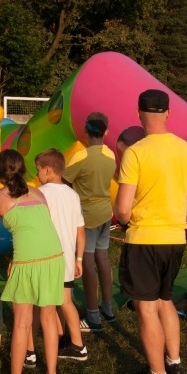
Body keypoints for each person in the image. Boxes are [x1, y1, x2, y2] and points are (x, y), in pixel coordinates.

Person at [115, 89, 187, 374]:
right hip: (176, 237)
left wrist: (123, 216)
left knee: (146, 308)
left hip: (145, 238)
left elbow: (123, 210)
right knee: (165, 300)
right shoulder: (186, 149)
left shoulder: (135, 153)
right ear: (168, 113)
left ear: (139, 114)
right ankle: (173, 362)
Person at [0, 150, 64, 374]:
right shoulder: (38, 192)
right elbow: (40, 228)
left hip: (29, 262)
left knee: (21, 323)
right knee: (48, 318)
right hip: (54, 257)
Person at [62, 112, 117, 333]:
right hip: (105, 213)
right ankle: (107, 307)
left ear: (85, 131)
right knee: (103, 258)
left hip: (87, 216)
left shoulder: (81, 157)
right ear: (106, 132)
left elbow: (63, 181)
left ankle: (93, 315)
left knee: (86, 261)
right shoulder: (111, 154)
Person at [34, 148, 88, 361]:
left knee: (52, 303)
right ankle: (69, 341)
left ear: (47, 170)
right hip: (67, 258)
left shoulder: (40, 194)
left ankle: (74, 345)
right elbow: (80, 230)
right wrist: (79, 258)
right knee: (64, 301)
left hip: (48, 258)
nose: (37, 174)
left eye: (38, 170)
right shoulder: (73, 194)